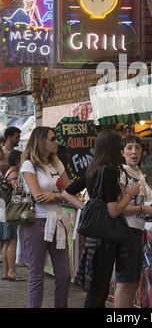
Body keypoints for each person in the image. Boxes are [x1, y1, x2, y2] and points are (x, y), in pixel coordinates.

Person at [62, 129, 141, 308]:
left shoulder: (94, 169)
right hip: (104, 240)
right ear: (114, 148)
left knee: (99, 290)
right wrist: (130, 193)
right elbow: (113, 211)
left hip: (95, 239)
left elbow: (67, 193)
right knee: (98, 292)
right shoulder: (109, 171)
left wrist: (85, 207)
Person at [19, 126, 72, 308]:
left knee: (64, 275)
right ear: (41, 141)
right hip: (36, 222)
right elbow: (38, 196)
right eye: (52, 139)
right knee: (36, 274)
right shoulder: (29, 165)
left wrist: (56, 196)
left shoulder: (57, 163)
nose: (57, 141)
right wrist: (61, 194)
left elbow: (70, 191)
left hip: (57, 221)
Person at [114, 134, 152, 308]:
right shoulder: (122, 172)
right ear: (122, 152)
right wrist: (144, 209)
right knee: (124, 282)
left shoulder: (139, 173)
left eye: (137, 148)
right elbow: (118, 208)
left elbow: (142, 204)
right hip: (125, 231)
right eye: (129, 148)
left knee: (134, 282)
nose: (134, 152)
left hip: (137, 231)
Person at [0, 150, 25, 281]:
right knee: (12, 241)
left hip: (4, 210)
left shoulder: (8, 172)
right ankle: (12, 271)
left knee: (6, 241)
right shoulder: (14, 173)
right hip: (11, 211)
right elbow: (16, 191)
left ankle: (5, 272)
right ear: (17, 161)